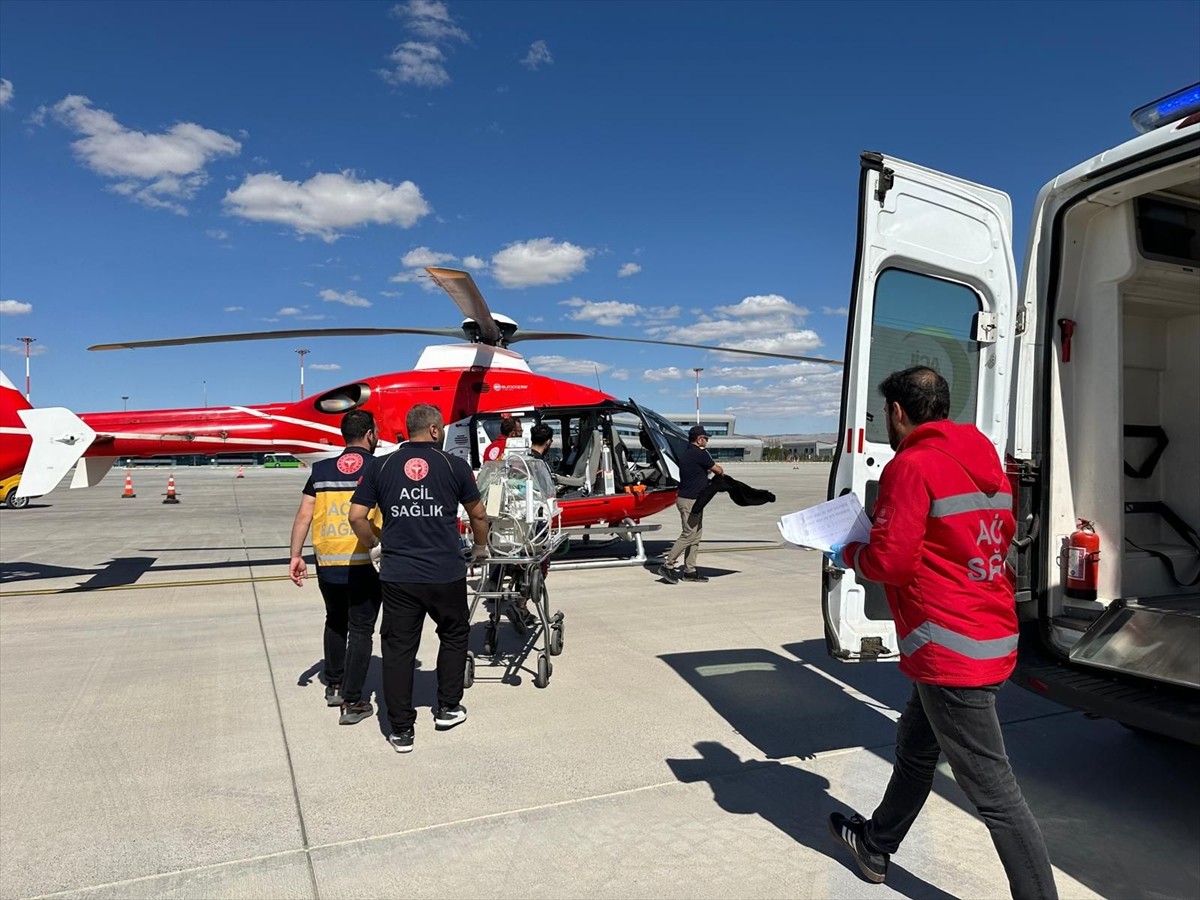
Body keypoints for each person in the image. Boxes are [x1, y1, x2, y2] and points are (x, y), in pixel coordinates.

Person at [825, 366, 1057, 899]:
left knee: (996, 796)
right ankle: (876, 844)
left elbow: (892, 560)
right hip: (989, 634)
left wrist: (850, 550)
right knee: (915, 746)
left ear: (898, 412)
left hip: (949, 649)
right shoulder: (986, 462)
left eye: (885, 413)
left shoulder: (913, 465)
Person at [349, 403, 489, 754]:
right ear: (435, 431)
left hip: (399, 575)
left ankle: (401, 730)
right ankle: (448, 708)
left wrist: (375, 545)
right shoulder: (453, 465)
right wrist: (481, 547)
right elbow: (478, 514)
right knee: (455, 636)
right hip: (445, 572)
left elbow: (356, 516)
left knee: (398, 649)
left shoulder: (380, 465)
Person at [288, 409, 383, 725]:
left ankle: (335, 683)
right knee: (361, 628)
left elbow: (304, 515)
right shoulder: (378, 467)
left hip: (328, 561)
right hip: (365, 561)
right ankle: (353, 701)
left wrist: (295, 555)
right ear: (370, 434)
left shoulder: (322, 469)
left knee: (335, 620)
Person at [657, 424, 723, 584]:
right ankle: (667, 565)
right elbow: (719, 470)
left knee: (696, 535)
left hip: (694, 499)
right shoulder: (699, 454)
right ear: (699, 439)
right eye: (705, 438)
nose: (707, 441)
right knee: (688, 534)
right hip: (690, 501)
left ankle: (690, 570)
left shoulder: (687, 453)